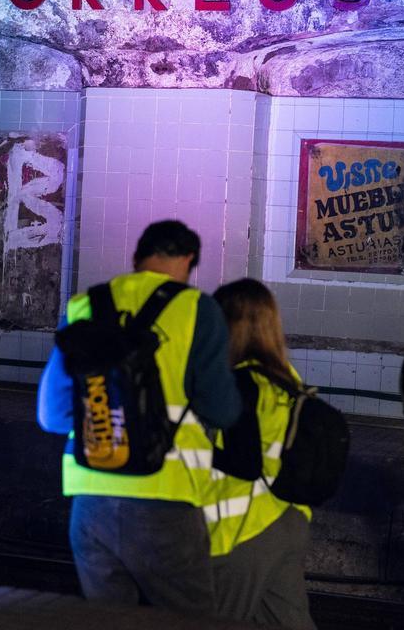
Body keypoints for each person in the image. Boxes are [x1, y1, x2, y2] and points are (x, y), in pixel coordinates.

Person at [37, 219, 241, 612]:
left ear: (137, 259)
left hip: (90, 500)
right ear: (189, 260)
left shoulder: (83, 306)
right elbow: (222, 409)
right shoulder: (198, 309)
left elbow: (52, 415)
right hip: (164, 498)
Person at [205, 278, 315, 629]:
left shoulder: (237, 383)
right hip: (290, 521)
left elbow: (245, 462)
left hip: (245, 530)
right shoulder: (287, 379)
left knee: (210, 620)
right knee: (287, 620)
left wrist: (194, 451)